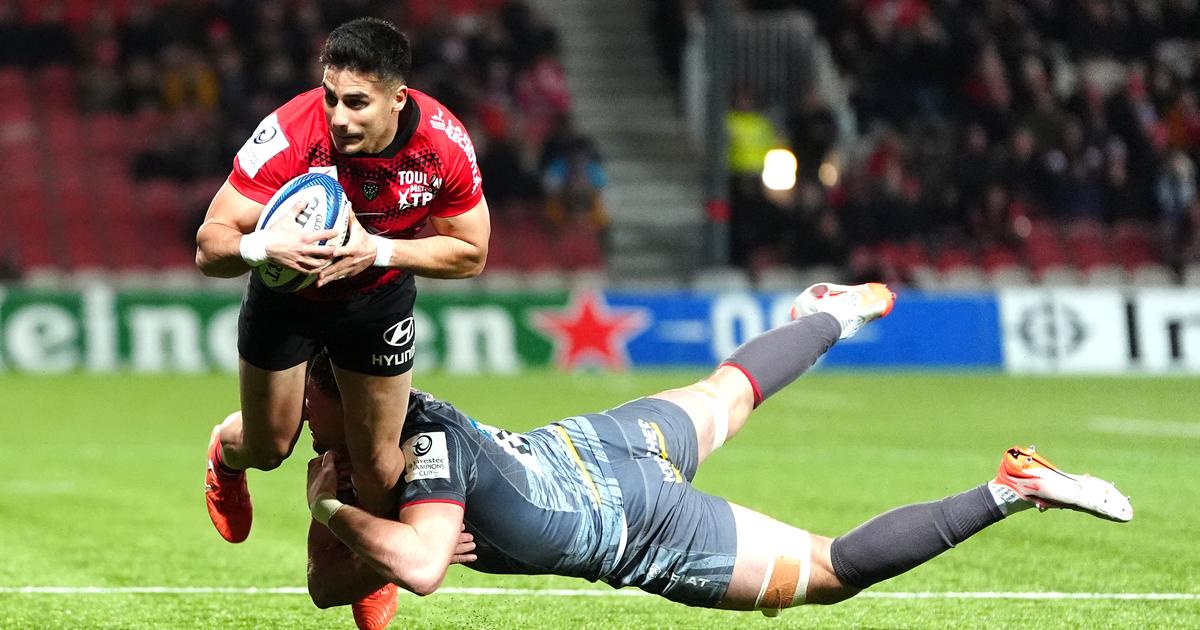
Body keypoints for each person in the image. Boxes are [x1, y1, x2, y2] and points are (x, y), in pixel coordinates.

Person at [253, 282, 1129, 628]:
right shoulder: (375, 435)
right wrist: (337, 516)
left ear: (343, 393)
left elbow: (423, 566)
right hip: (594, 445)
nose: (297, 413)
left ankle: (1009, 490)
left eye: (308, 395)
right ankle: (833, 314)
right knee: (725, 392)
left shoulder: (419, 446)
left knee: (826, 572)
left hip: (633, 524)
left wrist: (334, 511)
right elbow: (332, 588)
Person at [195, 15, 490, 553]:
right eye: (331, 97)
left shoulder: (442, 145)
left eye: (356, 103)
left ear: (398, 99)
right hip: (287, 297)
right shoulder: (289, 133)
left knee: (377, 465)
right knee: (268, 446)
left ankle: (370, 568)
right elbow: (208, 245)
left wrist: (376, 251)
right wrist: (264, 246)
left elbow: (471, 253)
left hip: (376, 298)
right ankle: (224, 455)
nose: (337, 116)